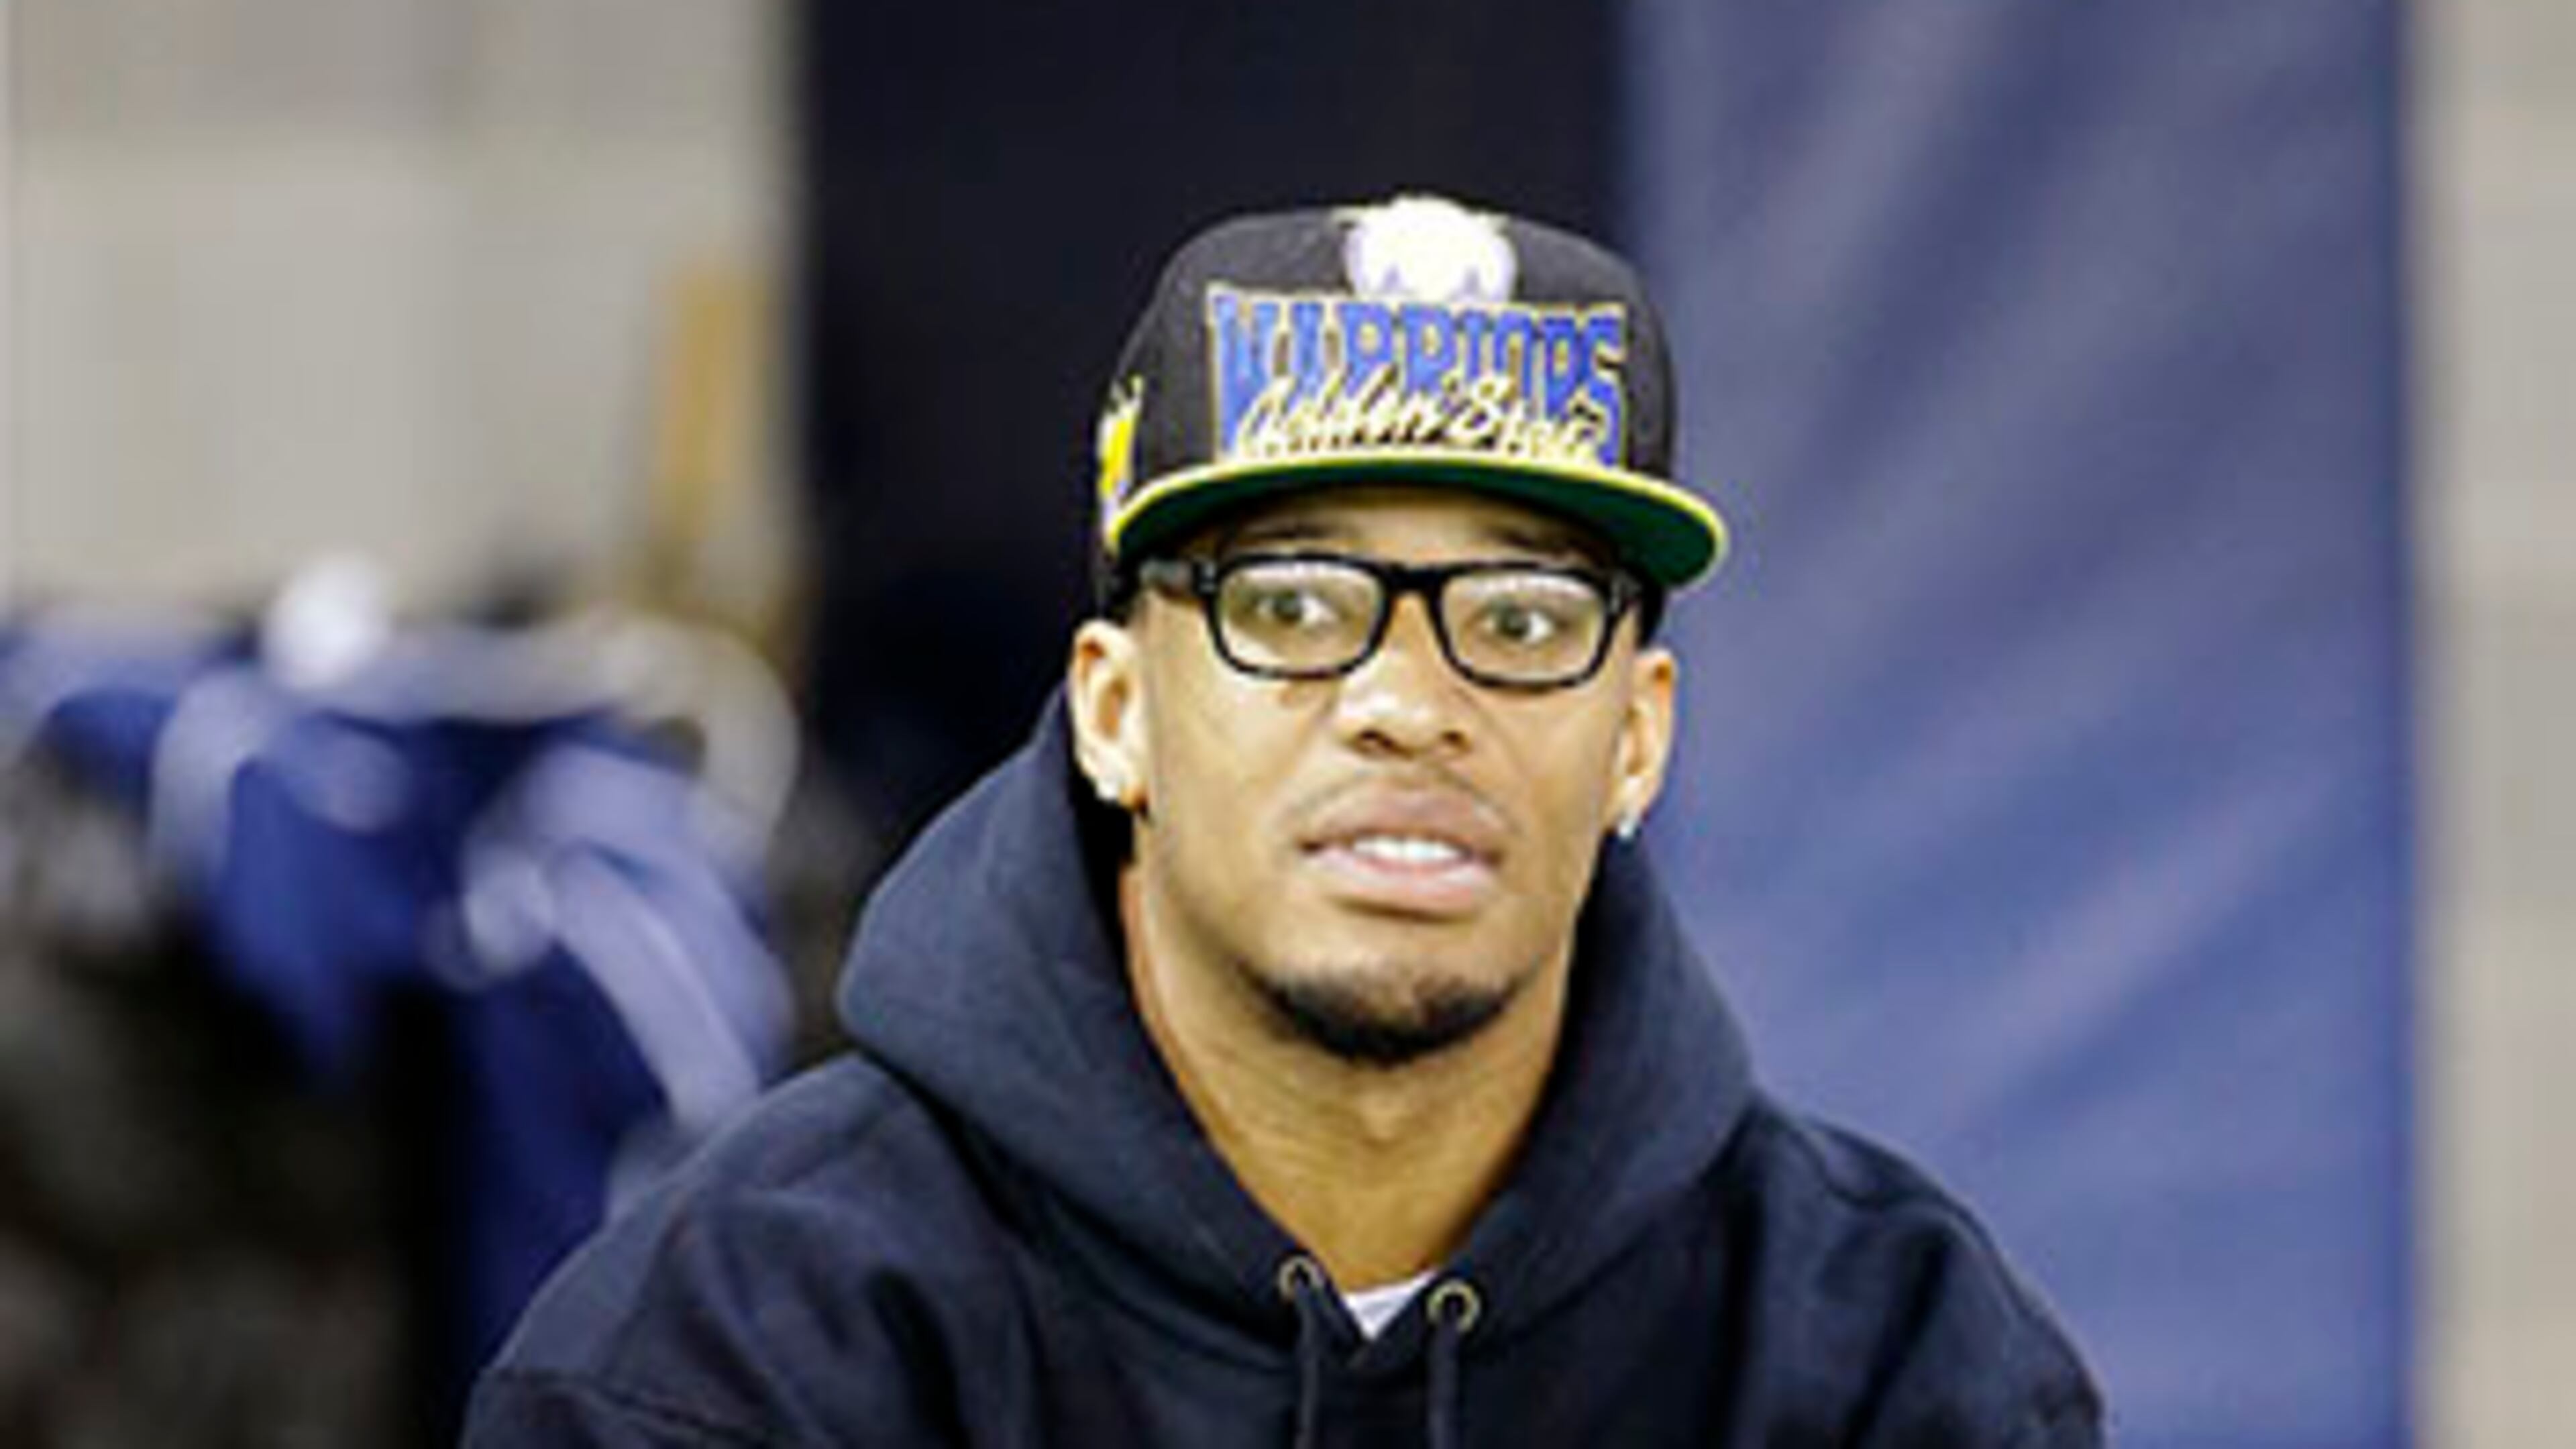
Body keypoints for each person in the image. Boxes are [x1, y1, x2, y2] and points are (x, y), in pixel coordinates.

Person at [465, 195, 2104, 1446]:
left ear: (1638, 741)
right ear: (1115, 714)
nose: (1409, 698)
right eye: (1299, 604)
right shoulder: (730, 1358)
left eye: (1525, 620)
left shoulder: (1897, 1361)